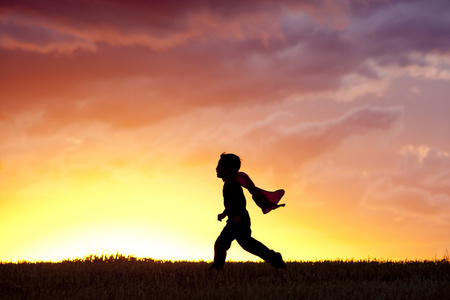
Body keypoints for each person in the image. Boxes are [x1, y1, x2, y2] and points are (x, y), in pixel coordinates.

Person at [210, 153, 286, 270]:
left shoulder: (231, 185)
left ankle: (216, 268)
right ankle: (274, 258)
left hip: (238, 220)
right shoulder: (230, 183)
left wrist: (238, 216)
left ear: (228, 169)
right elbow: (231, 204)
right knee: (244, 244)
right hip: (237, 219)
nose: (216, 168)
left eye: (219, 166)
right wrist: (224, 213)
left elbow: (240, 202)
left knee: (225, 244)